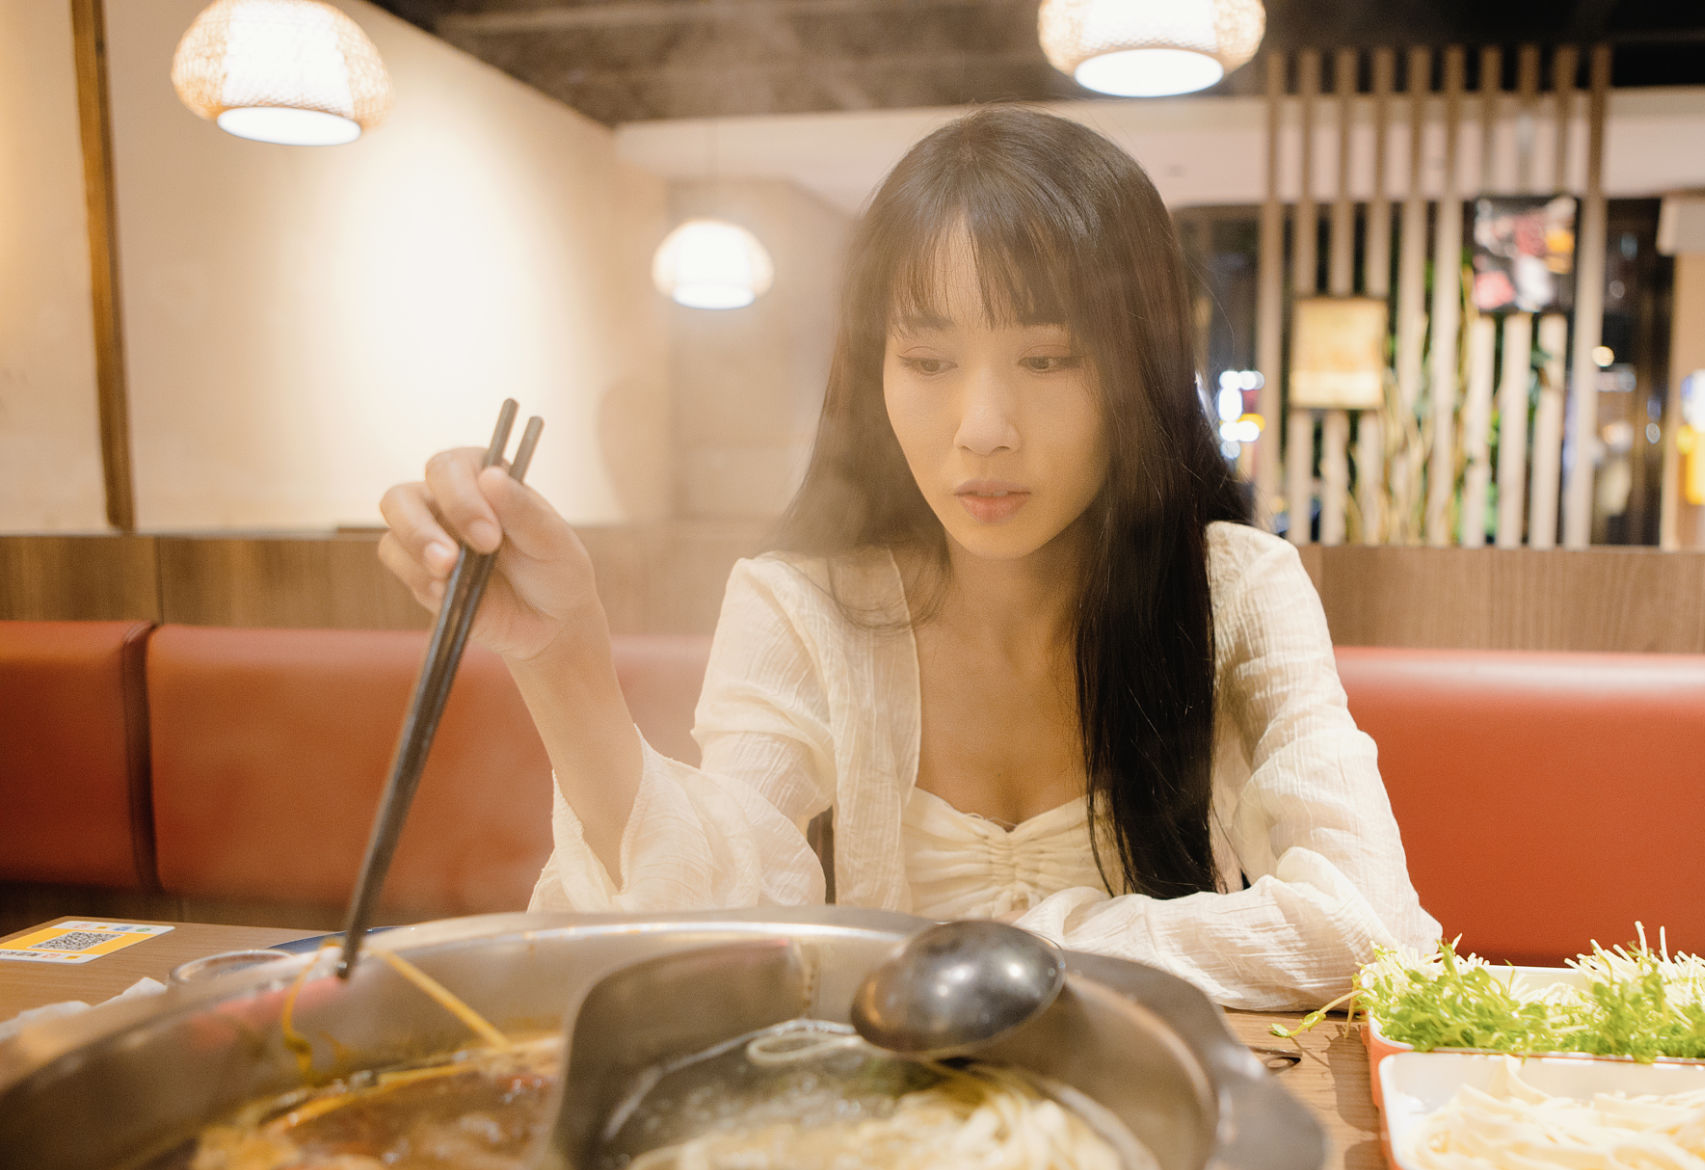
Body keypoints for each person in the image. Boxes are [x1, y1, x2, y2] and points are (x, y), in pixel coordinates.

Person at [377, 107, 1438, 1010]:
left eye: (1048, 357)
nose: (979, 426)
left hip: (1159, 1118)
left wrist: (1035, 940)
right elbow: (705, 923)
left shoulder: (1236, 588)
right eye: (927, 359)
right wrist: (562, 656)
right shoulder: (802, 603)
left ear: (1140, 373)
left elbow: (1371, 926)